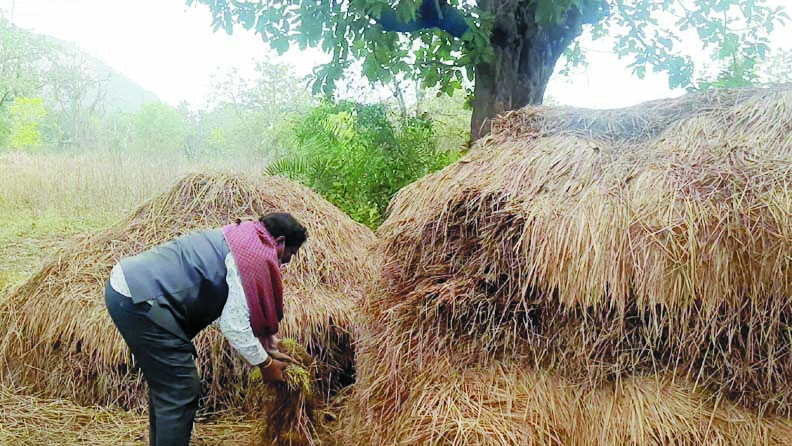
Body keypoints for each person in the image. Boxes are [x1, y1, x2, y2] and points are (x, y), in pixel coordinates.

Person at [104, 212, 308, 446]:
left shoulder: (243, 239)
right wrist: (265, 364)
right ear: (280, 242)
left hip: (132, 287)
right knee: (179, 387)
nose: (287, 262)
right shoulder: (251, 258)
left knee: (168, 385)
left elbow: (239, 308)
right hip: (140, 298)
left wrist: (268, 348)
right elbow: (234, 326)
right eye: (290, 254)